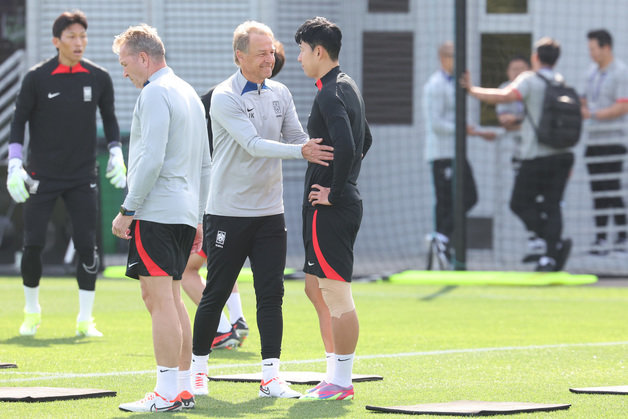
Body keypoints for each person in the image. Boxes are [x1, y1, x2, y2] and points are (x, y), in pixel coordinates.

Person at [190, 20, 333, 399]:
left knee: (271, 294)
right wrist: (301, 152)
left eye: (272, 51)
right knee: (216, 292)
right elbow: (253, 144)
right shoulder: (224, 97)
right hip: (227, 213)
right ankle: (198, 373)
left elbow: (297, 137)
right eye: (261, 53)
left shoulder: (281, 92)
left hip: (271, 214)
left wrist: (323, 150)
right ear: (240, 56)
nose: (270, 58)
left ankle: (271, 377)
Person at [111, 23, 211, 412]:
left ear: (143, 57)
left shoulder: (155, 93)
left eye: (125, 63)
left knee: (161, 299)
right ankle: (182, 386)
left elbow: (150, 159)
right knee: (170, 297)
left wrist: (127, 210)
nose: (124, 72)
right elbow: (205, 164)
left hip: (157, 211)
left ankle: (168, 392)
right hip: (184, 213)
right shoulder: (187, 92)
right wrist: (199, 216)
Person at [7, 10, 123, 338]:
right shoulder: (36, 77)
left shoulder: (98, 77)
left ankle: (86, 320)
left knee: (88, 246)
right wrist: (15, 163)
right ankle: (31, 313)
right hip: (39, 175)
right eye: (71, 37)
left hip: (82, 175)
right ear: (56, 41)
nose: (78, 42)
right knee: (32, 244)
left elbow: (110, 118)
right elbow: (18, 122)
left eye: (83, 36)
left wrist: (115, 149)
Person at [181, 40, 287, 352]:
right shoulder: (258, 98)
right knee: (225, 269)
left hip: (221, 204)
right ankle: (236, 321)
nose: (265, 60)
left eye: (268, 56)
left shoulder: (222, 97)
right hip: (243, 206)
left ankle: (225, 327)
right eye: (262, 54)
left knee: (189, 271)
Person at [295, 16, 372, 401]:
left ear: (319, 51)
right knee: (318, 289)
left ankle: (341, 382)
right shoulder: (346, 85)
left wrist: (334, 192)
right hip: (333, 205)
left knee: (337, 295)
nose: (298, 58)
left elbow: (345, 142)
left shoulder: (330, 92)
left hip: (331, 209)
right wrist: (345, 178)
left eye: (302, 50)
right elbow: (365, 140)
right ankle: (333, 374)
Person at [461, 37, 573, 272]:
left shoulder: (530, 80)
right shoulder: (561, 81)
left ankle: (550, 243)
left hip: (535, 154)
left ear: (535, 57)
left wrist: (472, 90)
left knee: (518, 203)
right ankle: (552, 253)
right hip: (562, 154)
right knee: (553, 205)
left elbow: (504, 96)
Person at [422, 41, 496, 266]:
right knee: (447, 202)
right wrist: (464, 129)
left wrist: (477, 131)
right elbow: (437, 124)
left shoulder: (455, 84)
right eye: (455, 57)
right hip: (442, 154)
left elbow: (457, 119)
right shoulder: (435, 85)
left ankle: (440, 241)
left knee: (468, 196)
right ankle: (441, 243)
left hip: (456, 153)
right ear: (444, 58)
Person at [581, 29, 628, 255]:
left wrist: (594, 115)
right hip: (593, 141)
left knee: (611, 189)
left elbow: (623, 105)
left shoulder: (620, 72)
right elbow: (583, 100)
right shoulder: (590, 72)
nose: (591, 53)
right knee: (597, 191)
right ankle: (600, 239)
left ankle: (621, 236)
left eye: (593, 48)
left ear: (606, 47)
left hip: (613, 140)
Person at [495, 56, 546, 261]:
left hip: (539, 153)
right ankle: (536, 237)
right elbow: (505, 121)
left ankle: (542, 240)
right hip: (517, 154)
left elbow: (539, 121)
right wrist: (523, 122)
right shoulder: (505, 89)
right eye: (513, 68)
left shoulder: (536, 87)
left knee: (540, 198)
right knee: (520, 200)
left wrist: (519, 122)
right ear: (508, 72)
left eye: (521, 69)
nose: (517, 73)